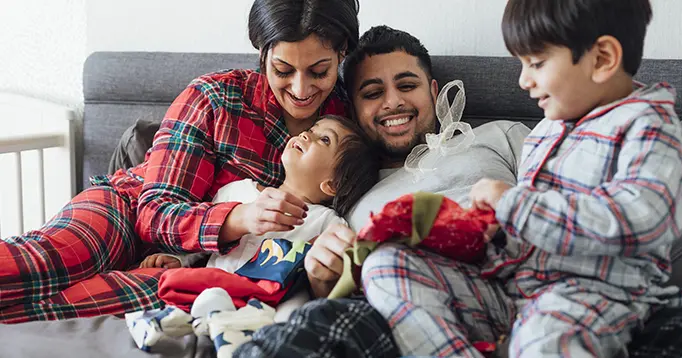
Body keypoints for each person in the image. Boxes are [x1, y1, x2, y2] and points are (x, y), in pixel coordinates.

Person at [0, 0, 360, 324]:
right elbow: (153, 213)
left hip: (193, 266)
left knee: (76, 305)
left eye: (318, 71)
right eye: (283, 70)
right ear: (263, 53)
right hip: (128, 207)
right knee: (56, 260)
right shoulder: (216, 97)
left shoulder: (347, 130)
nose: (300, 89)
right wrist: (239, 217)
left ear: (342, 54)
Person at [364, 1, 682, 357]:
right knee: (385, 265)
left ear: (602, 59)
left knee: (545, 339)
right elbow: (525, 229)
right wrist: (488, 228)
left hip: (594, 295)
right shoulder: (546, 130)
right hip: (513, 290)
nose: (523, 80)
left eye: (535, 63)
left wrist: (514, 204)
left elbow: (640, 220)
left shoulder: (648, 127)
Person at [234, 25, 530, 358]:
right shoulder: (348, 199)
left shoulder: (499, 136)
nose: (393, 102)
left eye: (407, 85)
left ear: (433, 91)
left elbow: (569, 202)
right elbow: (343, 300)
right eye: (372, 93)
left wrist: (515, 207)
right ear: (353, 110)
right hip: (412, 305)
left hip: (522, 281)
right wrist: (321, 277)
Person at [138, 115, 378, 321]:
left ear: (332, 185)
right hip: (204, 295)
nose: (306, 135)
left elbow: (335, 281)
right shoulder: (237, 191)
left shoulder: (327, 223)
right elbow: (202, 245)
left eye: (324, 140)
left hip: (264, 313)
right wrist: (177, 260)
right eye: (311, 130)